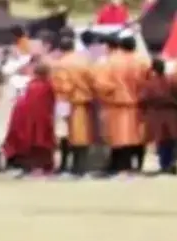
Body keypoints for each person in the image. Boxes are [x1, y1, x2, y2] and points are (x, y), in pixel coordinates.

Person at [93, 33, 144, 175]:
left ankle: (119, 165)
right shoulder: (142, 61)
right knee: (134, 136)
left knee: (118, 136)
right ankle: (134, 165)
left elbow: (102, 84)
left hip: (116, 104)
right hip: (137, 104)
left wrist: (108, 96)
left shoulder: (111, 62)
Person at [51, 35, 96, 175]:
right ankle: (80, 166)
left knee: (63, 134)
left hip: (65, 102)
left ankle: (64, 164)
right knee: (82, 135)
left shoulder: (59, 64)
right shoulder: (85, 61)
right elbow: (93, 80)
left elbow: (62, 86)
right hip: (83, 102)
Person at [3, 62, 57, 175]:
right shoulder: (47, 86)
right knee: (39, 141)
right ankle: (38, 166)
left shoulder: (31, 84)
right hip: (39, 119)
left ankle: (20, 164)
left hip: (22, 116)